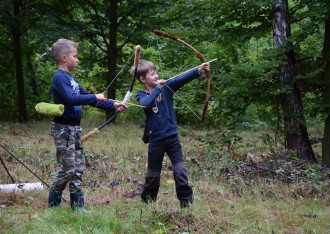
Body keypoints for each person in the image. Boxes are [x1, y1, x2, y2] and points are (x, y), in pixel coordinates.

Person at [48, 38, 126, 210]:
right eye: (74, 56)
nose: (77, 59)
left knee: (77, 168)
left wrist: (113, 104)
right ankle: (53, 204)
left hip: (74, 129)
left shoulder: (70, 79)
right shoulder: (59, 77)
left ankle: (78, 206)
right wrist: (95, 96)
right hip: (63, 130)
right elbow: (72, 99)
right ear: (63, 58)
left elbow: (88, 99)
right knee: (67, 168)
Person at [131, 59, 210, 208]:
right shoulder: (141, 94)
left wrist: (199, 70)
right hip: (156, 140)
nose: (156, 76)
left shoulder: (167, 87)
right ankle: (148, 203)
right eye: (152, 74)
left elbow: (181, 78)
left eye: (156, 73)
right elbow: (146, 103)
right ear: (142, 79)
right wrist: (158, 88)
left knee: (180, 171)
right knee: (153, 176)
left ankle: (185, 203)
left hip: (172, 138)